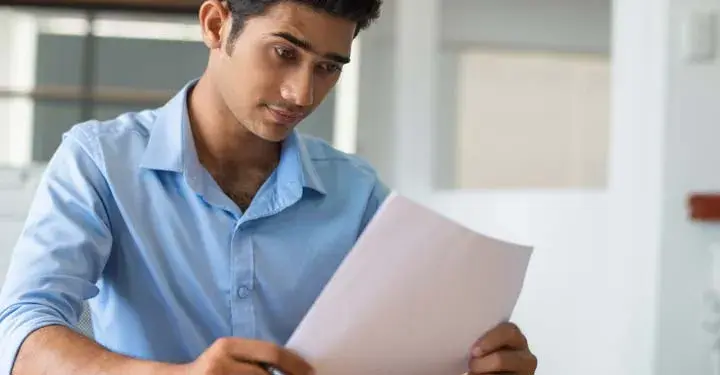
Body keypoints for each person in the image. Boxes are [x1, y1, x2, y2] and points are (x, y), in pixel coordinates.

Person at [0, 1, 538, 374]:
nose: (302, 92)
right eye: (285, 52)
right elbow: (21, 333)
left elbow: (402, 351)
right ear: (215, 25)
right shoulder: (98, 161)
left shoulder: (359, 194)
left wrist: (476, 363)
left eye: (328, 67)